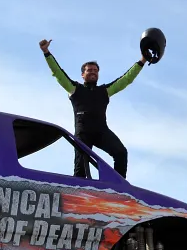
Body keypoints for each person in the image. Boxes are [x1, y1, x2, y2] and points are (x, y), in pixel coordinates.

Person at [39, 38, 147, 180]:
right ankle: (79, 193)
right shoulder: (74, 89)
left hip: (101, 131)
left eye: (95, 70)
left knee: (121, 152)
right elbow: (58, 73)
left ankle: (118, 187)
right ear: (82, 74)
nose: (93, 72)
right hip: (83, 133)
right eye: (89, 70)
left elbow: (126, 79)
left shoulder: (105, 91)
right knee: (80, 171)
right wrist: (47, 53)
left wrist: (143, 60)